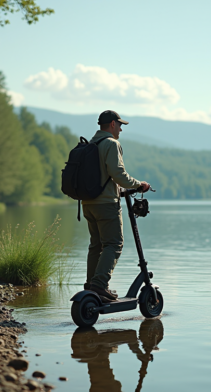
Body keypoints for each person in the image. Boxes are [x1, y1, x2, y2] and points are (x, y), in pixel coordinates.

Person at [82, 110, 150, 302]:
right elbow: (118, 173)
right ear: (112, 124)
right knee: (114, 244)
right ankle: (100, 285)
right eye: (120, 125)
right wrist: (139, 184)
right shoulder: (111, 144)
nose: (121, 129)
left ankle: (90, 286)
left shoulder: (91, 144)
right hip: (106, 204)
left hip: (88, 203)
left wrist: (119, 189)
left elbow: (103, 177)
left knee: (96, 245)